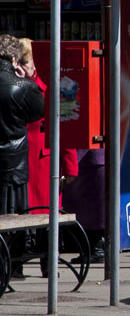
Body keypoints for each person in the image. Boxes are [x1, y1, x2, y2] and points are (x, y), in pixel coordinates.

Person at [14, 38, 79, 214]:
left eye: (24, 62)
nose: (19, 67)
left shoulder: (49, 88)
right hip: (18, 161)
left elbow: (63, 126)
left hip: (42, 163)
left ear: (34, 63)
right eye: (16, 62)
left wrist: (70, 167)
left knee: (43, 214)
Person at [0, 34, 46, 279]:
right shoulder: (23, 86)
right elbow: (37, 113)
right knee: (15, 217)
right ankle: (13, 266)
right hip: (14, 164)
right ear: (14, 58)